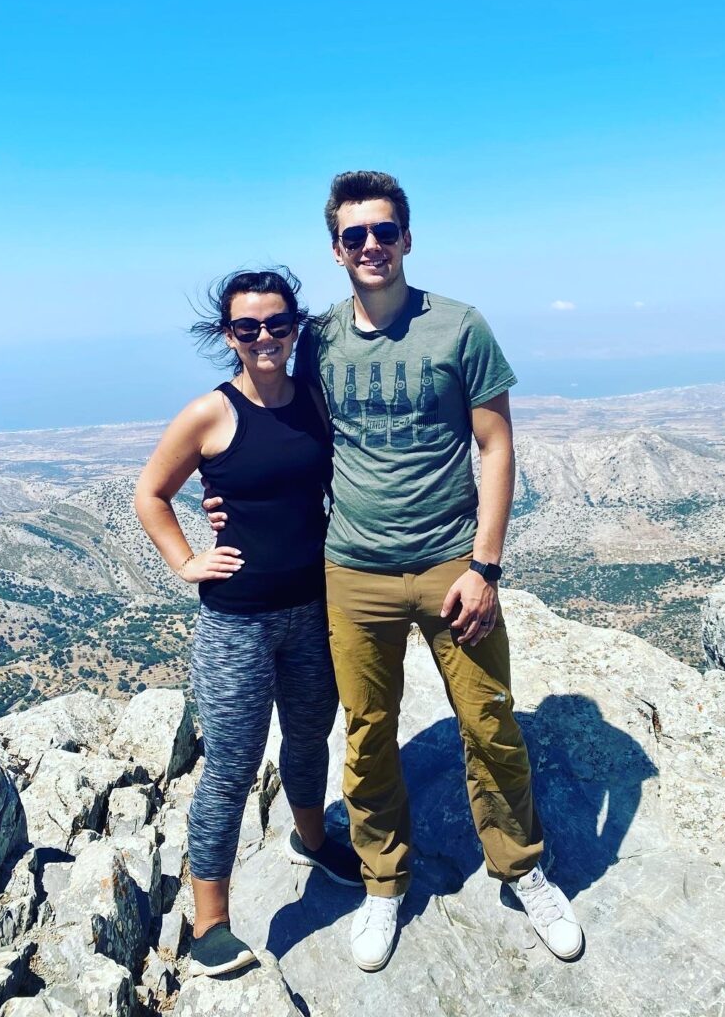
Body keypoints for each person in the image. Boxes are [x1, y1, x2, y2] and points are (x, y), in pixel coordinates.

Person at [207, 172, 584, 971]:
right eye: (355, 236)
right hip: (352, 570)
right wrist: (226, 498)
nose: (371, 246)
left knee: (489, 723)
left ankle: (523, 866)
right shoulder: (318, 339)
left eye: (384, 232)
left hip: (452, 562)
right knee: (369, 733)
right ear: (336, 249)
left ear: (408, 238)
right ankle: (383, 882)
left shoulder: (460, 327)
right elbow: (273, 415)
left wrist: (486, 565)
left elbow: (497, 444)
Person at [134, 268, 361, 978]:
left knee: (307, 739)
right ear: (227, 336)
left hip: (312, 608)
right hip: (237, 620)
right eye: (247, 327)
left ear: (295, 327)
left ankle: (312, 839)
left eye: (277, 323)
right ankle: (210, 924)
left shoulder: (313, 404)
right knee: (230, 769)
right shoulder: (210, 412)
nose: (264, 338)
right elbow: (151, 493)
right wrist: (185, 561)